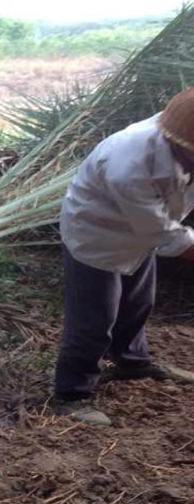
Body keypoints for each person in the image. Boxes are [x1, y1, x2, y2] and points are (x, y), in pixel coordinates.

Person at [54, 88, 194, 426]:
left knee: (137, 302)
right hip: (99, 238)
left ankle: (132, 361)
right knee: (93, 321)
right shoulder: (129, 163)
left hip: (139, 236)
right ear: (182, 146)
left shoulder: (181, 137)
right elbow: (164, 234)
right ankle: (72, 393)